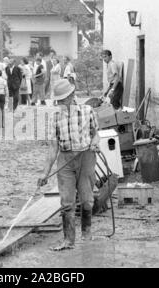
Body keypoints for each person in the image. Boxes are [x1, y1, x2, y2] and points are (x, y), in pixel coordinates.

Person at [38, 79, 100, 251]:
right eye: (58, 101)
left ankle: (87, 234)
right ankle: (68, 240)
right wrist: (45, 173)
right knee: (67, 202)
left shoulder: (88, 111)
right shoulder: (55, 118)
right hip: (65, 160)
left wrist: (95, 143)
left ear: (72, 96)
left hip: (86, 156)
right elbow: (53, 148)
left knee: (87, 200)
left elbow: (96, 134)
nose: (60, 104)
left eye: (63, 100)